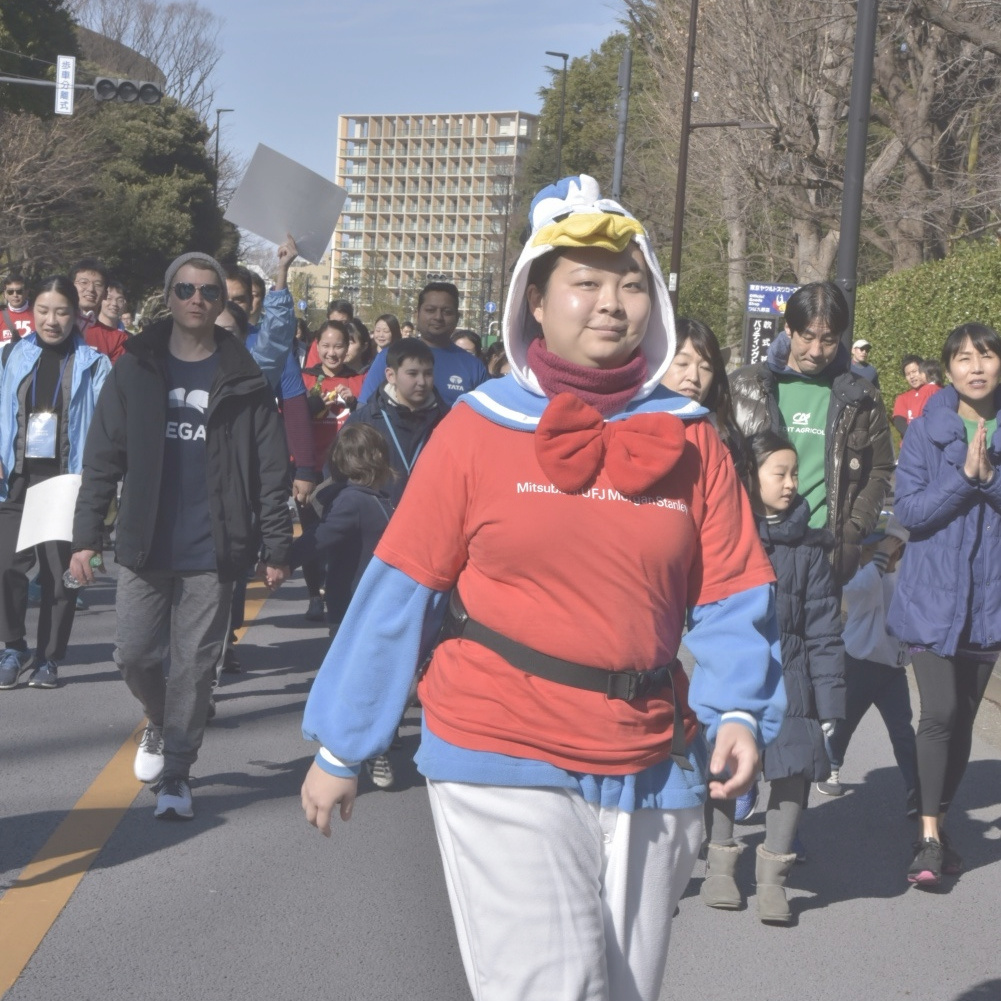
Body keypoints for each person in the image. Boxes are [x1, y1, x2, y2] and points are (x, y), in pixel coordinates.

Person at [300, 175, 785, 1001]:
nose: (611, 303)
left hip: (649, 755)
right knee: (554, 988)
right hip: (499, 738)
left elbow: (732, 586)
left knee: (623, 991)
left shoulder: (692, 438)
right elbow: (401, 586)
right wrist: (345, 742)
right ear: (534, 300)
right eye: (585, 282)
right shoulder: (476, 427)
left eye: (631, 283)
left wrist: (739, 708)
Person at [70, 252, 293, 821]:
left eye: (209, 291)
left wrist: (276, 545)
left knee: (195, 666)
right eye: (186, 289)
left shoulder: (245, 377)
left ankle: (177, 770)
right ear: (168, 297)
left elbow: (271, 468)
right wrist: (85, 535)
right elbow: (102, 457)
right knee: (133, 655)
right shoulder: (136, 366)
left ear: (222, 303)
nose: (197, 299)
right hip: (144, 543)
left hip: (214, 548)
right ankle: (161, 717)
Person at [701, 431, 844, 923]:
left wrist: (831, 706)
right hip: (735, 674)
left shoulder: (811, 550)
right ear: (751, 477)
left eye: (794, 473)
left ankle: (773, 880)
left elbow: (824, 633)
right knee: (723, 767)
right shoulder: (725, 538)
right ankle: (720, 864)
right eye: (779, 473)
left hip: (793, 679)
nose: (791, 484)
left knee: (793, 771)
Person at [888, 322, 1001, 887]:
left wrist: (990, 478)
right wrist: (964, 479)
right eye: (963, 358)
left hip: (989, 602)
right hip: (931, 598)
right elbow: (909, 511)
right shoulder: (925, 430)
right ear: (948, 370)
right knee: (940, 713)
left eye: (986, 356)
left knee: (963, 724)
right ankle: (928, 837)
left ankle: (941, 821)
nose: (976, 367)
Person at [730, 281, 894, 583]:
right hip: (751, 551)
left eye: (829, 340)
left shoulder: (862, 398)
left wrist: (852, 528)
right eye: (807, 337)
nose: (817, 351)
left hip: (823, 557)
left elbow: (879, 468)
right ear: (788, 329)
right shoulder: (743, 386)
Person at [0, 276, 111, 691]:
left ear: (75, 315)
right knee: (5, 567)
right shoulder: (13, 354)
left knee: (58, 576)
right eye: (43, 311)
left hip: (64, 480)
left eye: (61, 312)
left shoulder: (94, 363)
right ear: (32, 312)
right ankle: (13, 647)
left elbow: (104, 426)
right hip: (17, 476)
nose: (51, 320)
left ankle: (49, 659)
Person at [292, 423, 396, 783]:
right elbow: (321, 538)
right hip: (357, 604)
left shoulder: (370, 499)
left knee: (370, 676)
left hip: (369, 603)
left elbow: (319, 536)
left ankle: (373, 741)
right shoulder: (357, 500)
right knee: (361, 677)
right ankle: (366, 746)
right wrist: (280, 559)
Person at [820, 515, 918, 817]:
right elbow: (860, 591)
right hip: (858, 665)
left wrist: (891, 548)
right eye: (868, 551)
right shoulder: (864, 578)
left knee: (902, 731)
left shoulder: (905, 580)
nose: (868, 555)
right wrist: (880, 557)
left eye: (877, 549)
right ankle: (831, 767)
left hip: (892, 672)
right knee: (844, 724)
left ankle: (916, 790)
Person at [300, 320, 366, 621]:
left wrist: (353, 402)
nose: (331, 352)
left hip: (346, 469)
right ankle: (314, 594)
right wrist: (315, 402)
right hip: (311, 467)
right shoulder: (305, 378)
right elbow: (293, 417)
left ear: (348, 347)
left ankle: (338, 593)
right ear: (316, 346)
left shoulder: (359, 379)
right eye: (325, 346)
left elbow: (368, 415)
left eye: (338, 346)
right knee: (313, 534)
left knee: (342, 535)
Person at [348, 338, 448, 506]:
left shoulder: (446, 421)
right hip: (376, 516)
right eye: (412, 374)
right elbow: (342, 473)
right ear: (391, 375)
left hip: (428, 515)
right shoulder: (365, 420)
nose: (422, 382)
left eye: (428, 374)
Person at [358, 282, 488, 407]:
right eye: (430, 310)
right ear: (417, 314)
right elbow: (364, 409)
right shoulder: (389, 355)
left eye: (447, 312)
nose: (438, 317)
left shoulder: (474, 367)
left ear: (457, 318)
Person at [662, 317, 749, 479]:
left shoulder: (729, 442)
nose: (694, 377)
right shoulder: (626, 424)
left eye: (706, 368)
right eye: (682, 363)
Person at [69, 259, 128, 363]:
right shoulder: (53, 325)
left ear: (105, 294)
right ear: (70, 286)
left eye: (98, 284)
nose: (91, 289)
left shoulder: (117, 339)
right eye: (84, 282)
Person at [1, 273, 33, 343]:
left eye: (19, 291)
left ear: (27, 292)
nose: (15, 295)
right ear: (5, 294)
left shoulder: (38, 314)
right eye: (10, 292)